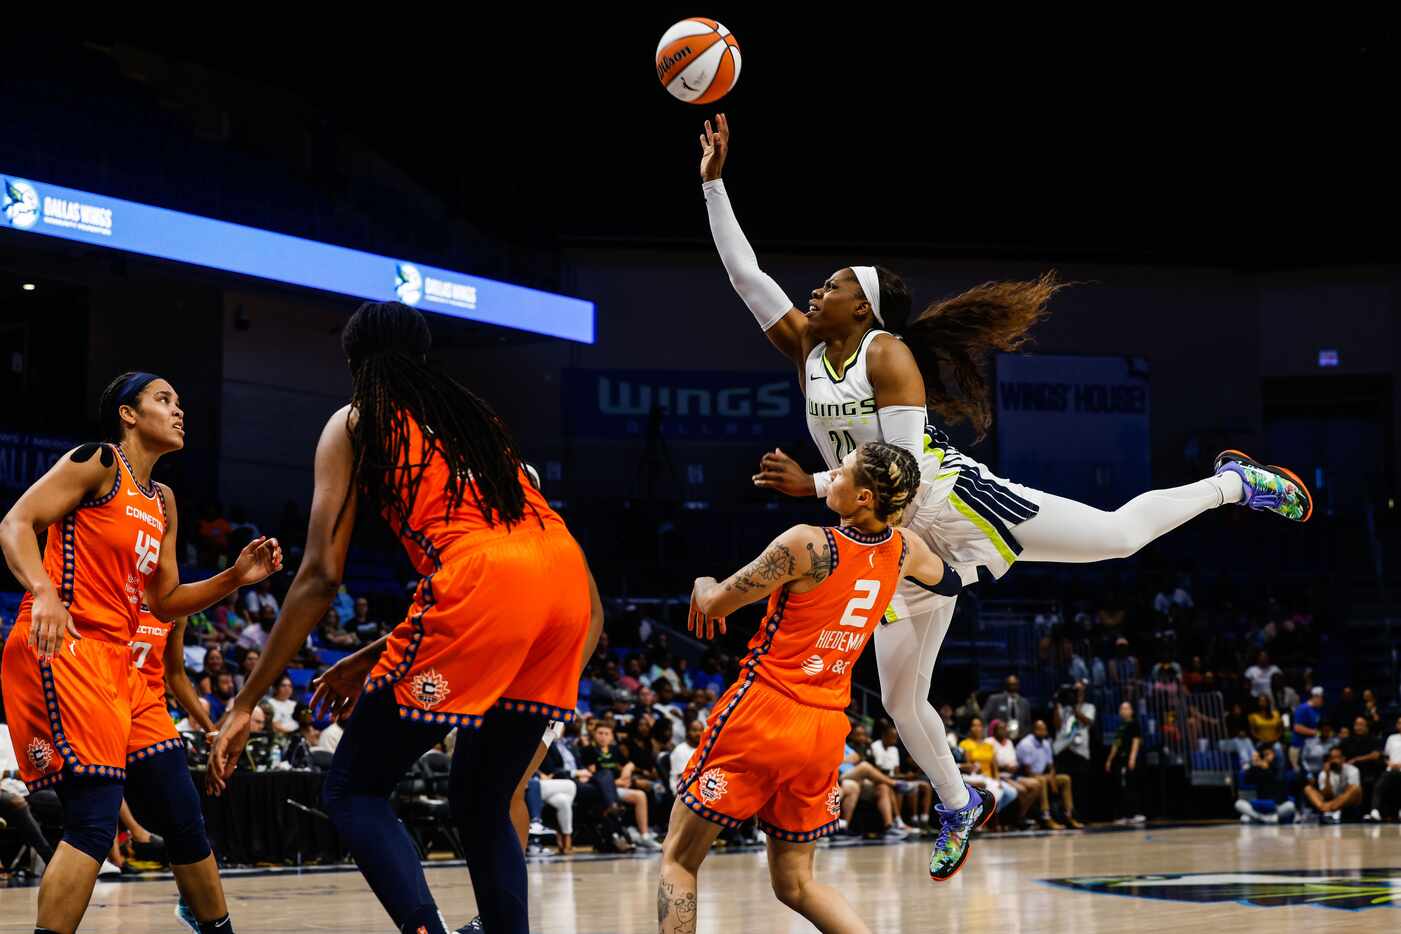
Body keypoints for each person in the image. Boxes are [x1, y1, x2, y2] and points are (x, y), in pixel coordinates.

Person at [696, 112, 1311, 881]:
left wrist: (813, 482)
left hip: (948, 502)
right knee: (898, 696)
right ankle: (958, 803)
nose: (817, 289)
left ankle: (1230, 484)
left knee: (1117, 537)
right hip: (891, 530)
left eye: (837, 284)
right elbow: (745, 277)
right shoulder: (811, 351)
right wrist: (714, 184)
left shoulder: (885, 356)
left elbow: (903, 464)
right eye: (820, 284)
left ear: (867, 309)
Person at [207, 302, 604, 934]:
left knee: (353, 790)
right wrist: (365, 659)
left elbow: (319, 576)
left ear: (353, 362)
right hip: (566, 588)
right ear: (422, 356)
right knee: (480, 801)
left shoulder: (359, 419)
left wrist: (245, 702)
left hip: (485, 587)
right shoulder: (479, 422)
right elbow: (514, 569)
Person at [0, 371, 281, 934]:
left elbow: (166, 600)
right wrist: (45, 591)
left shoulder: (163, 501)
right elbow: (16, 522)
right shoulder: (99, 462)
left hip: (123, 665)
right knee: (94, 821)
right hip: (68, 643)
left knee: (183, 811)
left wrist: (233, 577)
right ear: (129, 414)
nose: (179, 410)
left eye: (179, 401)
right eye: (163, 400)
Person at [658, 441, 964, 934]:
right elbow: (949, 583)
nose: (831, 477)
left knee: (679, 859)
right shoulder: (906, 548)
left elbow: (715, 604)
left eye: (840, 472)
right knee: (797, 885)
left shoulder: (808, 544)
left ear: (864, 497)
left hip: (763, 710)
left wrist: (701, 580)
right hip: (825, 730)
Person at [1017, 719, 1083, 829]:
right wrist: (1046, 778)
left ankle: (1069, 815)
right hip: (1026, 776)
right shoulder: (1026, 744)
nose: (1043, 733)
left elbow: (1051, 766)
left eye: (1045, 730)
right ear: (1034, 730)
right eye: (1040, 730)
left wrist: (1052, 779)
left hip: (1043, 775)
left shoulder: (1046, 743)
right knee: (1042, 780)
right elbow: (1027, 771)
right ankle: (1046, 817)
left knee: (1065, 779)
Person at [1234, 744, 1296, 824]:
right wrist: (1254, 764)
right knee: (1238, 804)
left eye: (1269, 754)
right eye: (1265, 755)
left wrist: (1266, 769)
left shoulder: (1279, 768)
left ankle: (1258, 818)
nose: (1267, 757)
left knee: (1290, 806)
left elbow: (1279, 786)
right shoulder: (1257, 768)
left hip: (1275, 807)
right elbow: (1247, 780)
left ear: (1274, 754)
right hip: (1259, 807)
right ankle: (1263, 818)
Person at [1105, 702, 1145, 825]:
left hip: (1130, 759)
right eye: (1121, 708)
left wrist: (1132, 758)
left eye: (1126, 708)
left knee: (1132, 785)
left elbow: (1136, 741)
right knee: (1121, 786)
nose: (1124, 710)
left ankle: (1135, 814)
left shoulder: (1134, 724)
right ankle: (1123, 815)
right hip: (1120, 760)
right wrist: (1109, 760)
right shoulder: (1120, 727)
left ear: (1131, 711)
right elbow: (1116, 744)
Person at [1305, 746, 1362, 822]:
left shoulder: (1353, 770)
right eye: (1332, 758)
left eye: (1337, 757)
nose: (1334, 760)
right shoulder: (1324, 773)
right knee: (1308, 789)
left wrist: (1332, 804)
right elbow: (1326, 795)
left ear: (1343, 758)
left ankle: (1328, 809)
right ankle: (1326, 810)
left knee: (1355, 789)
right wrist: (1327, 776)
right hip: (1331, 801)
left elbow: (1350, 792)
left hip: (1346, 803)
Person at [1365, 716, 1401, 822]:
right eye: (1399, 722)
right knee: (1379, 785)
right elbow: (1385, 755)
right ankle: (1375, 811)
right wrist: (1388, 763)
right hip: (1390, 769)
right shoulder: (1391, 738)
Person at [982, 676, 1033, 742]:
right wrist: (989, 735)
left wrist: (1023, 738)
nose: (1012, 686)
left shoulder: (1024, 703)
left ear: (1018, 685)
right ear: (1005, 685)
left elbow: (1027, 724)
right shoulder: (994, 699)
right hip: (998, 740)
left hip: (1019, 740)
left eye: (1014, 684)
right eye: (1010, 684)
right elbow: (984, 718)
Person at [1290, 687, 1325, 771]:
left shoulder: (1316, 710)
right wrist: (1314, 732)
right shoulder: (1303, 708)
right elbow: (1297, 727)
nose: (1322, 701)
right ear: (1316, 697)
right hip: (1299, 747)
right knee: (1300, 773)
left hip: (1310, 746)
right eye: (1321, 699)